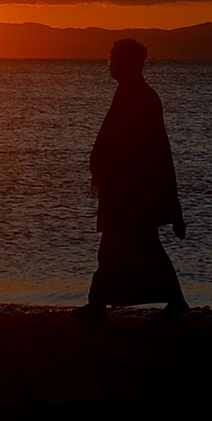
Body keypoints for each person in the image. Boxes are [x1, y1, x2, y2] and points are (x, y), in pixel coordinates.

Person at [80, 38, 189, 323]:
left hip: (132, 193)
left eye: (114, 60)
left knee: (136, 249)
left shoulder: (140, 97)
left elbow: (154, 151)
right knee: (120, 249)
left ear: (126, 63)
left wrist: (170, 204)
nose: (110, 65)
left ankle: (100, 303)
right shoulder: (131, 93)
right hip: (125, 190)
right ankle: (99, 301)